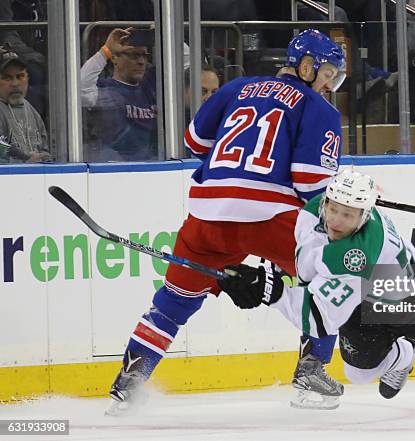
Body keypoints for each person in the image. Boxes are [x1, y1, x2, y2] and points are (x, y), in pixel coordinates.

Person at [105, 29, 346, 416]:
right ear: (306, 66)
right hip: (268, 216)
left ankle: (129, 382)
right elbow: (309, 181)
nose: (330, 83)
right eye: (328, 72)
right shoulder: (318, 108)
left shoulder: (236, 87)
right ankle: (312, 370)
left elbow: (195, 143)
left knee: (173, 302)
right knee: (330, 276)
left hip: (206, 213)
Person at [218, 169, 415, 407]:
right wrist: (265, 284)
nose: (336, 221)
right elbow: (311, 272)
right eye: (334, 208)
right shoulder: (314, 211)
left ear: (364, 216)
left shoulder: (357, 257)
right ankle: (405, 351)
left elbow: (317, 320)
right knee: (358, 373)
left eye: (348, 214)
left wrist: (268, 291)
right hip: (373, 304)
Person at [80, 27, 158, 162]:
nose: (141, 62)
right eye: (134, 55)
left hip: (151, 163)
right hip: (113, 165)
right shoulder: (104, 87)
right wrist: (105, 51)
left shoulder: (149, 85)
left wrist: (162, 34)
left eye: (144, 56)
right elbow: (80, 89)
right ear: (114, 58)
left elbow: (185, 62)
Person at [0, 47, 49, 163]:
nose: (15, 84)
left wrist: (43, 157)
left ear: (28, 78)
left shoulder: (31, 110)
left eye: (20, 76)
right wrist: (27, 159)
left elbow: (45, 150)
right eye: (7, 78)